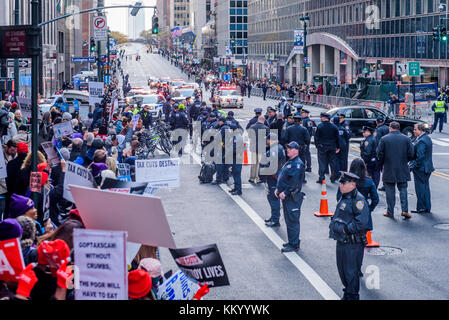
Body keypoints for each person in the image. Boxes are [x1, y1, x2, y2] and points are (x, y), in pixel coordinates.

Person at [329, 172, 370, 300]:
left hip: (352, 243)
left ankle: (352, 296)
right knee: (342, 270)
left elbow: (362, 221)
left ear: (353, 184)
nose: (340, 185)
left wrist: (346, 229)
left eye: (343, 183)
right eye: (340, 182)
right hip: (341, 241)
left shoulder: (358, 200)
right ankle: (347, 293)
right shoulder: (344, 196)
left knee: (351, 272)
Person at [376, 121, 414, 219]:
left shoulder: (384, 139)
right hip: (402, 167)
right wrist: (405, 161)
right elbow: (411, 153)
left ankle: (390, 211)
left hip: (389, 168)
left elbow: (379, 154)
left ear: (390, 128)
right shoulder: (406, 139)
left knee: (390, 192)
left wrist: (383, 163)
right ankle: (405, 210)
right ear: (399, 128)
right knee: (403, 190)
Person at [275, 141, 305, 252]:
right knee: (288, 220)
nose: (288, 150)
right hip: (287, 196)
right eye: (287, 148)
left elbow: (294, 183)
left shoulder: (297, 164)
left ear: (296, 150)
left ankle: (294, 244)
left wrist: (285, 192)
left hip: (292, 197)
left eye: (290, 148)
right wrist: (278, 189)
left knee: (293, 220)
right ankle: (292, 241)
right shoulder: (290, 161)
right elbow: (284, 177)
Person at [260, 133, 286, 227]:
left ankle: (275, 219)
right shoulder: (278, 147)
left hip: (274, 177)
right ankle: (274, 217)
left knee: (273, 198)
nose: (266, 142)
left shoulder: (274, 150)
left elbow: (271, 165)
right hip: (276, 176)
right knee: (272, 197)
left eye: (267, 140)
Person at [409, 123, 434, 214]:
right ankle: (427, 206)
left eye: (415, 129)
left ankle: (421, 208)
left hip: (421, 169)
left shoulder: (421, 141)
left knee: (420, 189)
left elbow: (420, 157)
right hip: (427, 168)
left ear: (421, 130)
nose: (413, 131)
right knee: (425, 188)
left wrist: (412, 166)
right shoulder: (426, 138)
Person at [315, 112, 340, 184]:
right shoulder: (334, 127)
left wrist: (318, 146)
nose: (320, 118)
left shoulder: (320, 126)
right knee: (332, 162)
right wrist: (338, 147)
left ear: (324, 118)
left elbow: (316, 138)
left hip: (322, 147)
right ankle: (333, 177)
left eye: (321, 117)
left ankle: (322, 178)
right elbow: (337, 138)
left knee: (322, 162)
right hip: (332, 147)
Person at [285, 114, 310, 182]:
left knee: (290, 163)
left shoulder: (289, 128)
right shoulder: (304, 129)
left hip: (291, 148)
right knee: (301, 163)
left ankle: (290, 177)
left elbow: (285, 138)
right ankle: (302, 178)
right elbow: (307, 139)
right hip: (300, 148)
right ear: (300, 121)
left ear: (294, 120)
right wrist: (305, 145)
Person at [248, 115, 269, 184]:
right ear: (264, 120)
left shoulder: (252, 127)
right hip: (261, 147)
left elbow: (249, 136)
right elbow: (268, 138)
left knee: (254, 163)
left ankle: (251, 178)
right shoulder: (266, 128)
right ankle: (258, 178)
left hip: (253, 147)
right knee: (260, 164)